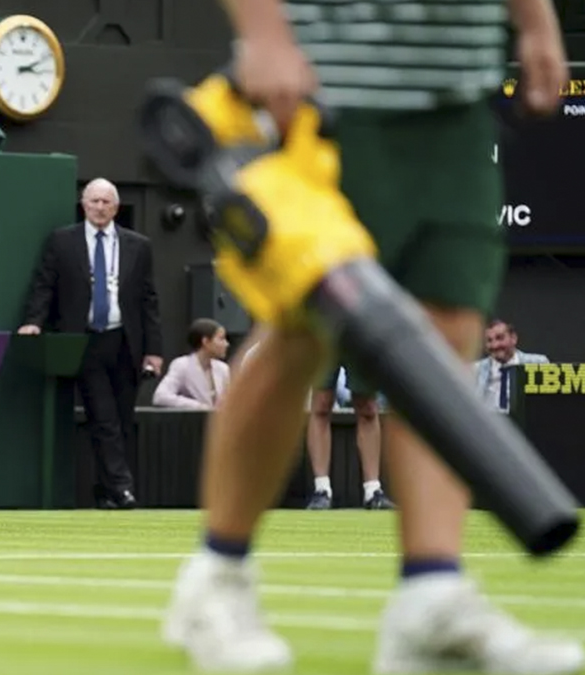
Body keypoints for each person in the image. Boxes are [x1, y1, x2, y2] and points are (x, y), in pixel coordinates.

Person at [161, 0, 583, 672]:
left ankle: (431, 593)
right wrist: (265, 34)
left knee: (445, 340)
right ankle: (216, 576)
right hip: (328, 93)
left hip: (457, 101)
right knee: (299, 332)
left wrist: (535, 21)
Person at [18, 178, 163, 509]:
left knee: (122, 421)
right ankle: (123, 489)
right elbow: (45, 284)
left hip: (125, 340)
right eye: (94, 201)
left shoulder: (137, 246)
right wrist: (33, 322)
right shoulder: (62, 241)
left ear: (115, 207)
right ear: (83, 204)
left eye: (106, 202)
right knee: (103, 416)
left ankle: (106, 492)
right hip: (85, 340)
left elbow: (148, 300)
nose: (100, 207)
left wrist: (154, 351)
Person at [305, 363, 392, 510]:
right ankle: (321, 489)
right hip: (329, 341)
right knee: (321, 404)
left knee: (368, 408)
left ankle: (373, 491)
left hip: (360, 342)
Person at [474, 318, 549, 413]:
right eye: (489, 340)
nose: (494, 345)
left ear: (513, 339)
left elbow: (546, 406)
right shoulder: (475, 370)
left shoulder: (538, 364)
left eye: (499, 338)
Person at [152, 318, 229, 410]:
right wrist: (198, 406)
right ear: (205, 341)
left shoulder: (223, 368)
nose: (226, 344)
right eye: (221, 339)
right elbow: (161, 396)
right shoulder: (182, 365)